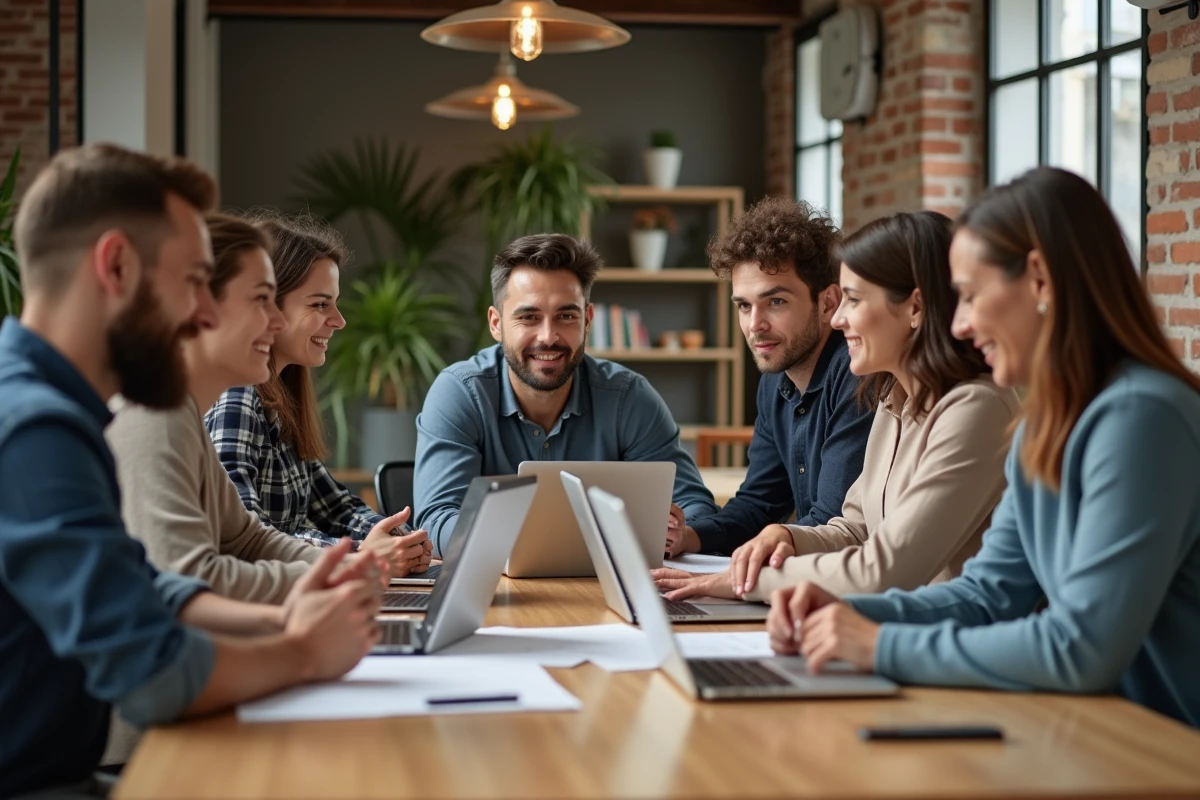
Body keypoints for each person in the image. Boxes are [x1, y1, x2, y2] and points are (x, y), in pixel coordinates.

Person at [0, 144, 381, 798]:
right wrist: (302, 652)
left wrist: (285, 618)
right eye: (192, 283)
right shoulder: (36, 429)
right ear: (116, 266)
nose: (204, 315)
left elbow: (145, 583)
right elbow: (149, 672)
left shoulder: (56, 408)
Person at [768, 167, 1200, 729]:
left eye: (969, 296)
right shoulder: (1047, 419)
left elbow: (1080, 648)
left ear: (1040, 280)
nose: (963, 324)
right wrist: (846, 609)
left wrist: (877, 644)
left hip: (1162, 749)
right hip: (1089, 734)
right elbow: (988, 594)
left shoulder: (1141, 418)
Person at [655, 211, 1019, 604]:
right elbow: (854, 530)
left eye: (854, 300)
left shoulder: (976, 408)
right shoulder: (894, 401)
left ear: (915, 309)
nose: (840, 318)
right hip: (898, 631)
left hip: (945, 644)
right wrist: (789, 536)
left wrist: (742, 581)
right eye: (743, 306)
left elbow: (883, 569)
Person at [414, 233, 718, 557]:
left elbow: (696, 508)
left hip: (607, 594)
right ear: (496, 323)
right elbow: (436, 521)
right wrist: (521, 542)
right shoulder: (460, 393)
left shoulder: (628, 398)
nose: (548, 337)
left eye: (566, 316)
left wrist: (677, 533)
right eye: (528, 317)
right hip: (498, 593)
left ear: (587, 321)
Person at [107, 213, 356, 604]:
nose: (276, 321)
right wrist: (328, 579)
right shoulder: (155, 419)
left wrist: (343, 568)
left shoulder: (183, 414)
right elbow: (189, 579)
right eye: (261, 300)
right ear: (199, 307)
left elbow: (246, 538)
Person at [204, 212, 429, 577]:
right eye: (320, 304)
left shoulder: (281, 400)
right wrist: (363, 554)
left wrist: (399, 538)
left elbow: (336, 507)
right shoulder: (238, 398)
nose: (339, 320)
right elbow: (247, 537)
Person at [663, 196, 873, 558]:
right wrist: (687, 538)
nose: (754, 325)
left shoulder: (857, 372)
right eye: (744, 306)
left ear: (827, 303)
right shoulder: (776, 380)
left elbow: (832, 521)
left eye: (775, 302)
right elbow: (758, 505)